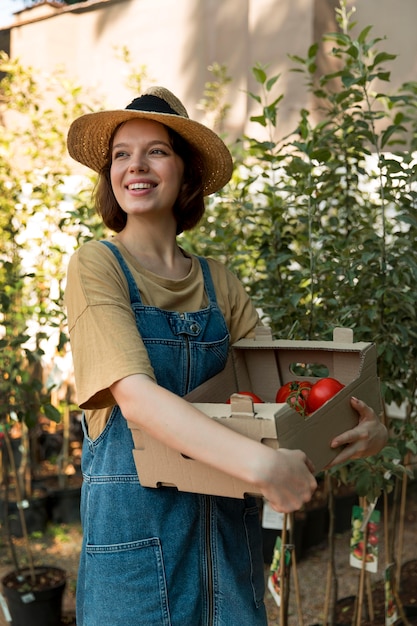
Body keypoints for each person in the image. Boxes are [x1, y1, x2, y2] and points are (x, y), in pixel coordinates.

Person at [64, 86, 388, 626]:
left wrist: (358, 433)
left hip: (227, 555)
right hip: (137, 564)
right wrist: (262, 465)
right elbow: (137, 399)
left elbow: (279, 398)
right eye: (122, 153)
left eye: (156, 151)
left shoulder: (220, 283)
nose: (135, 166)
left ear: (186, 173)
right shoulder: (95, 266)